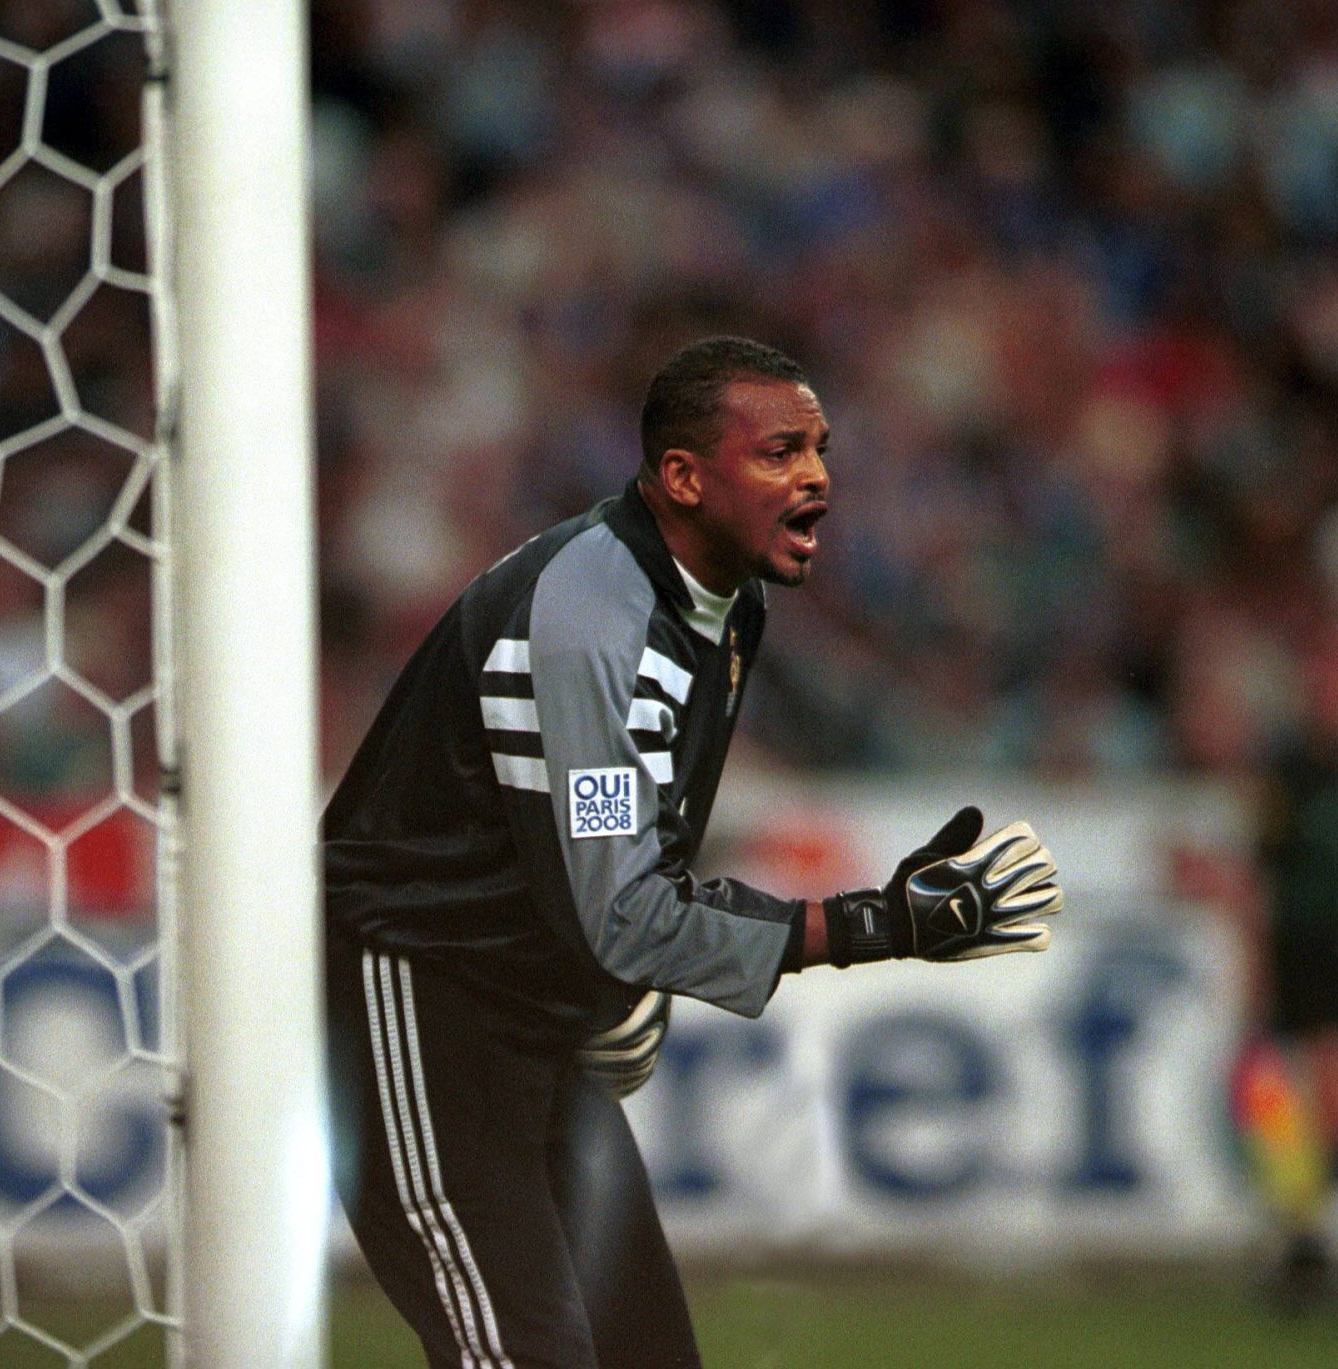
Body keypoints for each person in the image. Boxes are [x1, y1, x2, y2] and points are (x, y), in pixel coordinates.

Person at [322, 336, 1065, 1368]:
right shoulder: (590, 620)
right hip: (424, 1001)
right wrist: (871, 924)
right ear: (681, 476)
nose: (815, 476)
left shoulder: (724, 601)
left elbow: (624, 857)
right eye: (777, 452)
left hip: (532, 1019)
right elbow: (620, 907)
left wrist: (612, 978)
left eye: (818, 449)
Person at [1180, 630, 1338, 1313]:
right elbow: (1257, 874)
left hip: (1333, 946)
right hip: (1292, 944)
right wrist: (1253, 961)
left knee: (1335, 1103)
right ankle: (1301, 1242)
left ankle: (1306, 1242)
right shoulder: (1289, 772)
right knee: (1284, 1094)